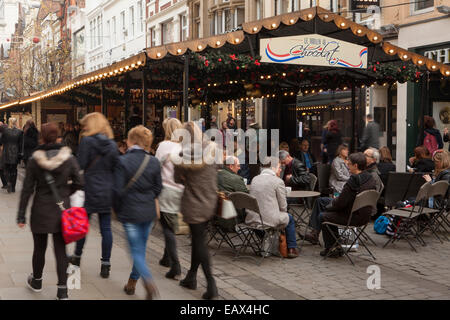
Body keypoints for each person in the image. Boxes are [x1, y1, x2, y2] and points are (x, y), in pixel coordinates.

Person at [17, 122, 83, 300]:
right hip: (62, 210)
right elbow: (79, 181)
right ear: (58, 136)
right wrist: (66, 194)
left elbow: (27, 189)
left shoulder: (34, 160)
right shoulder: (68, 157)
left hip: (40, 209)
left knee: (39, 248)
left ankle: (37, 281)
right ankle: (63, 291)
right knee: (61, 250)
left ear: (42, 137)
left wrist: (21, 214)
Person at [113, 125, 162, 300]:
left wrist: (118, 211)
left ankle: (148, 282)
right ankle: (132, 281)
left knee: (135, 251)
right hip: (148, 212)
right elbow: (158, 188)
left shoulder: (123, 161)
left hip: (130, 212)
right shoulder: (154, 161)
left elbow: (117, 191)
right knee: (140, 249)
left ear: (131, 141)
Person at [69, 112, 119, 279]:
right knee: (106, 228)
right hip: (107, 189)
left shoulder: (87, 142)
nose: (83, 128)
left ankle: (77, 256)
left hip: (89, 188)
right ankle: (106, 264)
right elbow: (115, 167)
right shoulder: (112, 145)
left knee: (83, 225)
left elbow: (80, 164)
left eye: (85, 125)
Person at [173, 121, 218, 300]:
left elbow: (177, 179)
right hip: (210, 200)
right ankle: (191, 276)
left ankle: (211, 284)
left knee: (199, 242)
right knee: (198, 239)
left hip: (193, 202)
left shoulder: (183, 155)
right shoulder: (212, 150)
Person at [303, 153, 376, 256]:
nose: (347, 166)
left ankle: (332, 248)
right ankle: (314, 234)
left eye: (349, 164)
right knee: (321, 201)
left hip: (352, 215)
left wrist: (331, 206)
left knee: (323, 216)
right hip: (362, 213)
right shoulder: (369, 178)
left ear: (355, 166)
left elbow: (340, 204)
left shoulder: (354, 181)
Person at [246, 157, 299, 258]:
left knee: (270, 217)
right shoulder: (278, 181)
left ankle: (267, 240)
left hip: (252, 219)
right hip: (268, 221)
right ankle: (291, 248)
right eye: (279, 167)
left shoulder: (255, 179)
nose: (280, 169)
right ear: (273, 167)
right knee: (290, 218)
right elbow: (283, 207)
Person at [155, 118, 184, 280]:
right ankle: (166, 258)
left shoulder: (164, 146)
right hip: (180, 190)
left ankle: (175, 265)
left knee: (167, 227)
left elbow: (156, 167)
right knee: (170, 223)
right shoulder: (184, 147)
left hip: (167, 189)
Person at [1, 118, 23, 193]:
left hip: (6, 151)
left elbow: (1, 141)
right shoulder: (20, 132)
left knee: (6, 169)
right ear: (16, 122)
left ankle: (8, 182)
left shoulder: (5, 131)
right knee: (14, 170)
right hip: (16, 152)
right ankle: (13, 186)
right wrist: (20, 153)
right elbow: (21, 144)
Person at [0, 122, 7, 188]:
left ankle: (5, 183)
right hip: (7, 152)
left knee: (1, 168)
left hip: (2, 152)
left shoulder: (2, 135)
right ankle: (6, 182)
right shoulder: (7, 134)